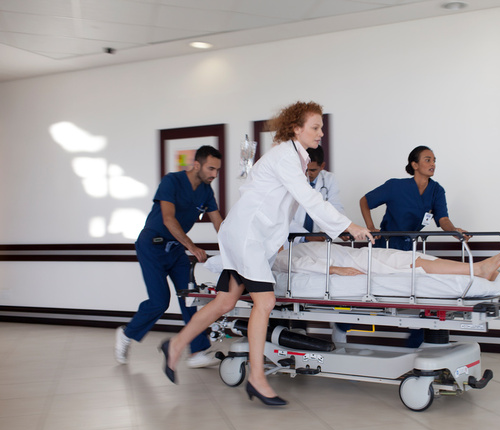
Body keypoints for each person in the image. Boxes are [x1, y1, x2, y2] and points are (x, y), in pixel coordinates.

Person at [159, 101, 373, 406]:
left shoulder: (295, 158)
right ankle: (257, 379)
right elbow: (308, 198)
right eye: (315, 127)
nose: (321, 133)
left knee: (225, 301)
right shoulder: (286, 156)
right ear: (296, 129)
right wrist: (349, 226)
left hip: (249, 236)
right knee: (266, 300)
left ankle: (176, 345)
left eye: (322, 127)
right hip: (247, 237)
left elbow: (284, 206)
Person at [115, 145, 223, 368]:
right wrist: (192, 247)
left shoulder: (206, 191)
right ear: (197, 165)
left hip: (175, 249)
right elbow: (168, 219)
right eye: (211, 168)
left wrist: (233, 249)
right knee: (159, 301)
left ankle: (197, 352)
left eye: (217, 170)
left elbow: (219, 223)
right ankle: (127, 333)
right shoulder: (171, 181)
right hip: (151, 246)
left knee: (189, 297)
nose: (214, 175)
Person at [360, 145, 467, 251]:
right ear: (415, 165)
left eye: (434, 161)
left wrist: (454, 231)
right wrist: (370, 227)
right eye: (427, 160)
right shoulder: (395, 186)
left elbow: (443, 219)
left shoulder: (437, 191)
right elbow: (365, 201)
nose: (433, 164)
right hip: (386, 244)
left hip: (410, 245)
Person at [272, 241, 500, 280]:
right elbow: (298, 266)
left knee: (419, 260)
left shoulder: (293, 246)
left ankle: (477, 270)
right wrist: (337, 270)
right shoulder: (279, 258)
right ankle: (478, 269)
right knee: (416, 264)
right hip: (361, 263)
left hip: (362, 256)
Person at [288, 145, 344, 242]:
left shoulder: (329, 179)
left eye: (313, 170)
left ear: (322, 166)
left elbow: (336, 208)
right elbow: (284, 216)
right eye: (306, 169)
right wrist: (306, 236)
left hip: (320, 239)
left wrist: (339, 228)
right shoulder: (292, 179)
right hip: (293, 238)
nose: (308, 174)